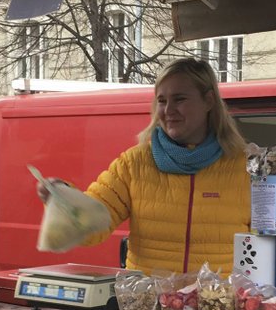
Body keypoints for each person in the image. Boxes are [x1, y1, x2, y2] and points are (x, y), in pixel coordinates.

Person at [38, 58, 251, 274]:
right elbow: (92, 229)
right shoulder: (133, 164)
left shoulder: (246, 167)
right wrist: (61, 199)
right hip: (149, 304)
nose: (168, 110)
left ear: (208, 100)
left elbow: (269, 245)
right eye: (161, 100)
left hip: (217, 304)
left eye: (179, 99)